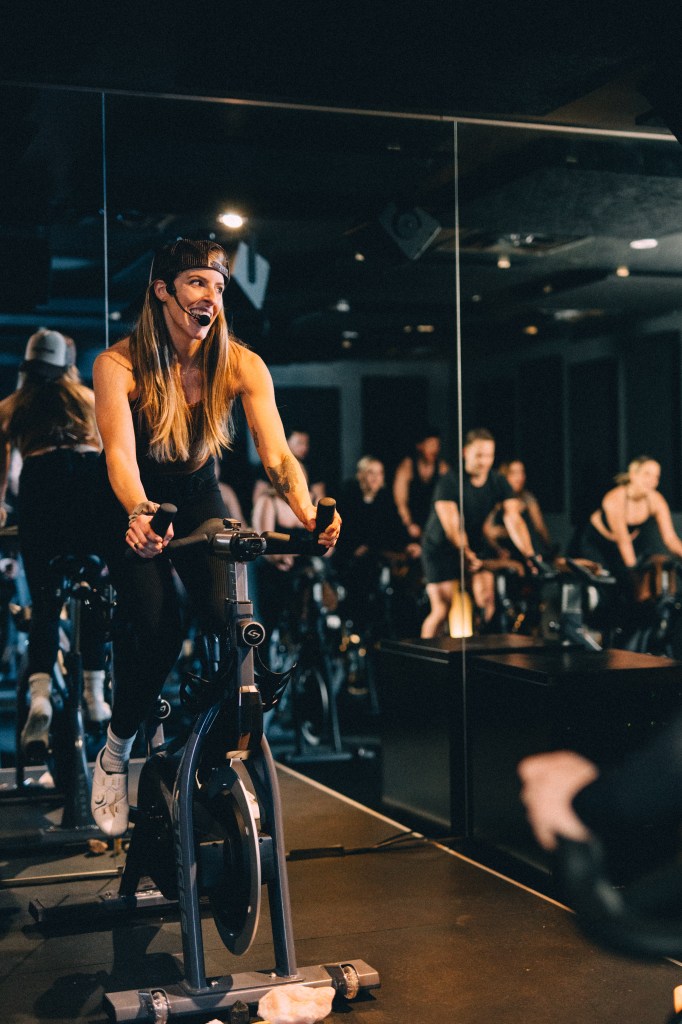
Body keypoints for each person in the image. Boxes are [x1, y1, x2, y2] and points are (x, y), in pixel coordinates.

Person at [90, 238, 340, 837]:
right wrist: (139, 513)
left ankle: (201, 746)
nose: (211, 297)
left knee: (232, 621)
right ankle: (116, 750)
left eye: (219, 287)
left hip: (200, 492)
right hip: (138, 501)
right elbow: (121, 456)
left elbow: (276, 453)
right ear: (163, 290)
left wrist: (307, 511)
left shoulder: (240, 364)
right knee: (158, 624)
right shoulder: (118, 365)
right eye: (198, 283)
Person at [0, 329, 110, 754]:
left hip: (41, 485)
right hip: (85, 482)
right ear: (67, 366)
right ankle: (95, 696)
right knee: (99, 591)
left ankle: (40, 694)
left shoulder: (11, 407)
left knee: (46, 602)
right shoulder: (87, 400)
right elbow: (107, 451)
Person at [420, 428, 539, 637]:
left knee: (487, 602)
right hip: (440, 547)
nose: (484, 461)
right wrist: (465, 551)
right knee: (441, 609)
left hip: (473, 545)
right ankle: (424, 663)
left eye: (489, 455)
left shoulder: (498, 481)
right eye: (479, 455)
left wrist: (530, 555)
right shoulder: (449, 481)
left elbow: (514, 519)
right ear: (466, 452)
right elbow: (453, 527)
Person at [335, 455, 421, 633]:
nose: (376, 478)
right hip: (351, 559)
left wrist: (407, 544)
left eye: (380, 473)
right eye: (370, 473)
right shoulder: (347, 497)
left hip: (377, 556)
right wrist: (354, 548)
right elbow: (342, 531)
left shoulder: (385, 499)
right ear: (361, 475)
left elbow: (394, 527)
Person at [572, 455, 682, 575]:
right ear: (633, 474)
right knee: (607, 578)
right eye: (647, 474)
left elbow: (670, 539)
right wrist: (634, 574)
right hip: (596, 544)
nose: (652, 480)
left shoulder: (656, 500)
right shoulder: (615, 499)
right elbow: (623, 540)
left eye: (656, 477)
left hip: (621, 547)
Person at [484, 459, 553, 560]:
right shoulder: (494, 501)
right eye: (514, 473)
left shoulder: (527, 498)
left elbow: (540, 527)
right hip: (504, 555)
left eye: (522, 472)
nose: (520, 477)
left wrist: (549, 549)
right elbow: (487, 531)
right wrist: (501, 543)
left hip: (529, 552)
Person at [392, 426, 450, 540]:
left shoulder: (443, 468)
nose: (435, 449)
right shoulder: (407, 467)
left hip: (434, 523)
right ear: (419, 446)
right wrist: (409, 525)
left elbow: (449, 500)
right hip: (410, 523)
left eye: (437, 445)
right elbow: (400, 501)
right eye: (431, 445)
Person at [252, 427, 326, 507]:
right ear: (286, 442)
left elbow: (320, 497)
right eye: (300, 443)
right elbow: (258, 496)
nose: (304, 448)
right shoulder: (270, 465)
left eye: (306, 443)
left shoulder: (312, 467)